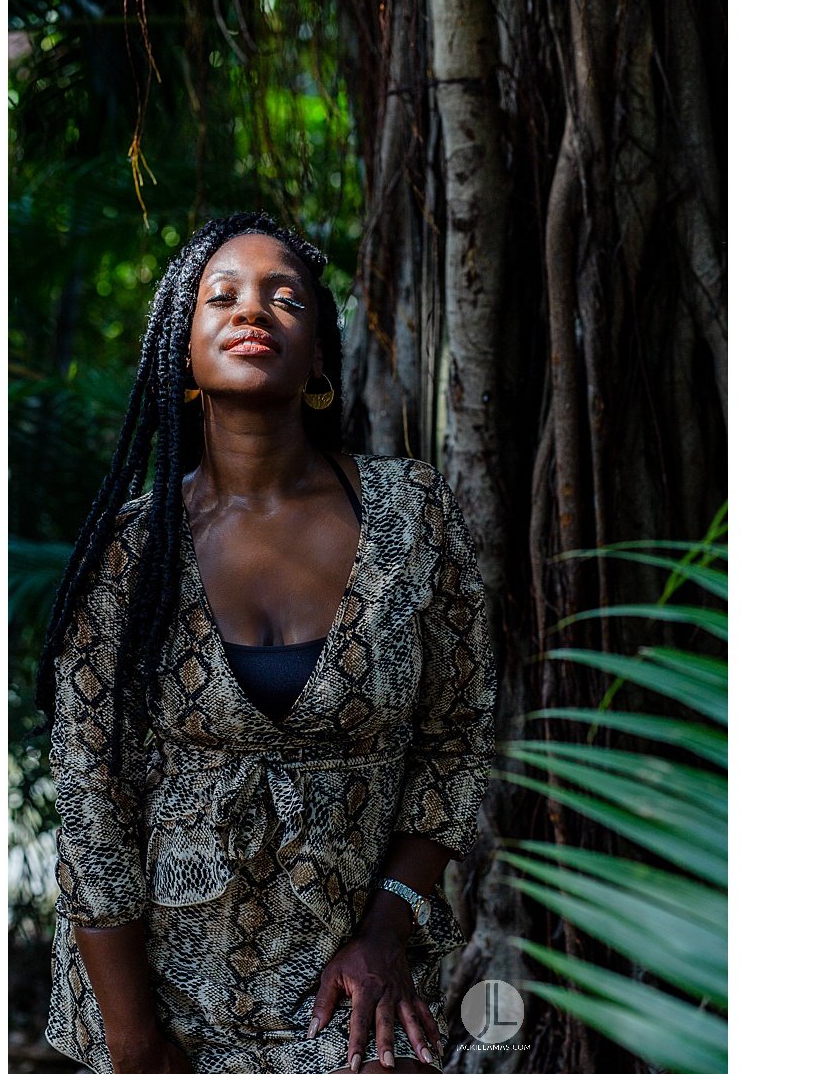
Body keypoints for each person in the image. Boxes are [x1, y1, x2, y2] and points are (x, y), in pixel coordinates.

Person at [36, 212, 497, 1074]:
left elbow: (454, 741)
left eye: (286, 299)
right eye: (223, 297)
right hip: (159, 992)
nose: (254, 311)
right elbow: (91, 807)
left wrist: (387, 930)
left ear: (319, 356)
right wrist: (137, 1045)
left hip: (352, 982)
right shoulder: (128, 552)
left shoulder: (412, 514)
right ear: (181, 350)